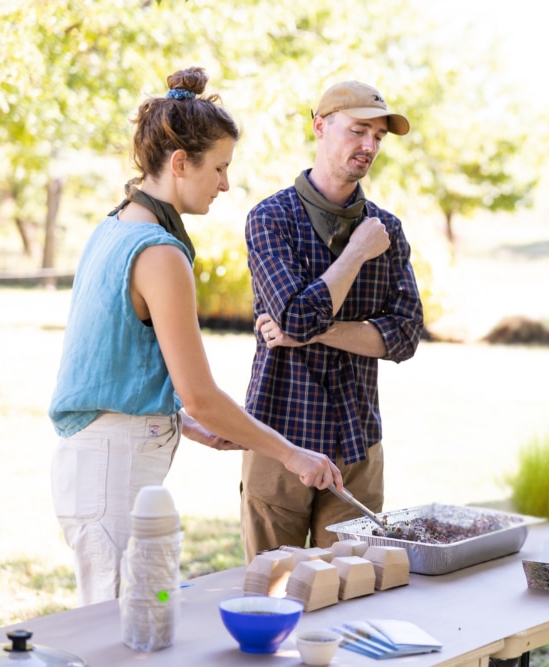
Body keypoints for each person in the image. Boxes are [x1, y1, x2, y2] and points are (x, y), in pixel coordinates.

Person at [48, 67, 344, 607]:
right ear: (181, 163)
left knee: (148, 625)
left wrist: (178, 421)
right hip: (112, 474)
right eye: (219, 167)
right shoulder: (159, 252)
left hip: (100, 465)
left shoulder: (112, 229)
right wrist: (292, 455)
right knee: (122, 636)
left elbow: (110, 366)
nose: (225, 184)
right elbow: (203, 393)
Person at [241, 80, 424, 561]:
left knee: (351, 592)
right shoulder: (270, 219)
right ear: (320, 127)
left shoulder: (388, 229)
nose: (370, 146)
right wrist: (357, 254)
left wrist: (310, 333)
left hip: (356, 442)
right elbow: (294, 317)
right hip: (278, 436)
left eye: (379, 137)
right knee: (270, 592)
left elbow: (405, 336)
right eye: (359, 130)